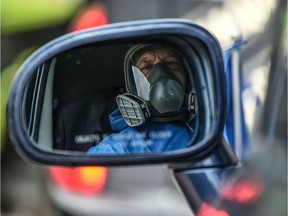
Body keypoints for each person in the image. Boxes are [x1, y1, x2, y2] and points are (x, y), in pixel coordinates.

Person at [88, 44, 198, 154]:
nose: (161, 73)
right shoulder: (119, 147)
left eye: (171, 63)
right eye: (147, 67)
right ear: (134, 86)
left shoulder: (209, 123)